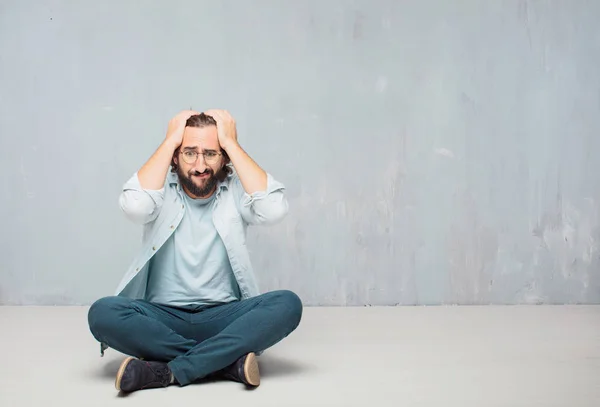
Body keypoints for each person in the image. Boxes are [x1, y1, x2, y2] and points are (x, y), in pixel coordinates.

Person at [87, 109, 302, 393]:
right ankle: (224, 363)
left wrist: (232, 144)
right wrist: (169, 141)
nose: (200, 165)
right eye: (189, 153)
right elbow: (135, 206)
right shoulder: (159, 191)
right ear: (175, 156)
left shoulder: (236, 191)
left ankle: (169, 371)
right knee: (102, 313)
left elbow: (273, 210)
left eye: (211, 154)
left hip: (224, 317)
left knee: (288, 304)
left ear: (223, 157)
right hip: (162, 319)